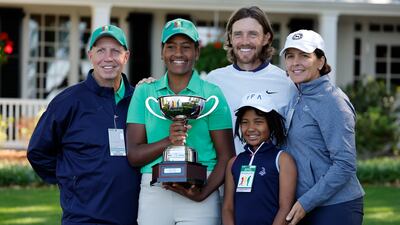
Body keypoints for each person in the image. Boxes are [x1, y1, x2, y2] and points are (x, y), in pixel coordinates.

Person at [27, 25, 141, 225]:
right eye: (100, 51)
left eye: (115, 51)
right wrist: (72, 180)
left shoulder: (139, 101)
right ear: (90, 55)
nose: (108, 57)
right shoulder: (68, 101)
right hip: (83, 218)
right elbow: (38, 151)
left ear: (126, 56)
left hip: (134, 217)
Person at [126, 18, 235, 225]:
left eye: (186, 47)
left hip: (202, 184)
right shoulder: (144, 92)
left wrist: (203, 193)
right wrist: (170, 140)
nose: (178, 53)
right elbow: (134, 155)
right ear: (162, 52)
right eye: (171, 47)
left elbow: (227, 155)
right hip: (154, 188)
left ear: (197, 52)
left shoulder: (212, 94)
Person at [280, 30, 365, 225]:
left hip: (337, 207)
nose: (295, 62)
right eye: (290, 56)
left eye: (304, 56)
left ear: (320, 61)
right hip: (305, 205)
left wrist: (305, 202)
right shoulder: (296, 95)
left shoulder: (333, 101)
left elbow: (345, 164)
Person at [206, 6, 297, 154]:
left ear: (266, 38)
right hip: (227, 174)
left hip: (272, 175)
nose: (245, 41)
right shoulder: (213, 80)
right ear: (230, 37)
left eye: (252, 34)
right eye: (238, 34)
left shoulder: (286, 82)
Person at [222, 92, 297, 225]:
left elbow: (285, 208)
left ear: (271, 124)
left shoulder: (282, 160)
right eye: (245, 122)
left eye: (258, 122)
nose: (251, 128)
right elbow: (228, 207)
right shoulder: (233, 163)